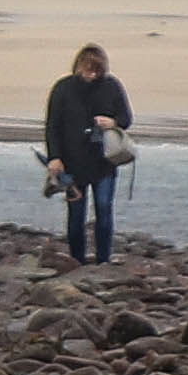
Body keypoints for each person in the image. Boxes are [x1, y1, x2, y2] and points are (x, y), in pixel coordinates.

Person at [40, 44, 133, 264]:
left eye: (96, 71)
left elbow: (127, 118)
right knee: (76, 215)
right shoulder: (63, 88)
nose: (92, 75)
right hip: (72, 163)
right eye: (88, 70)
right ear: (79, 66)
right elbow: (52, 126)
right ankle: (77, 261)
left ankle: (103, 261)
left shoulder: (112, 86)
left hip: (104, 162)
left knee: (103, 209)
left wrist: (113, 122)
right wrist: (54, 157)